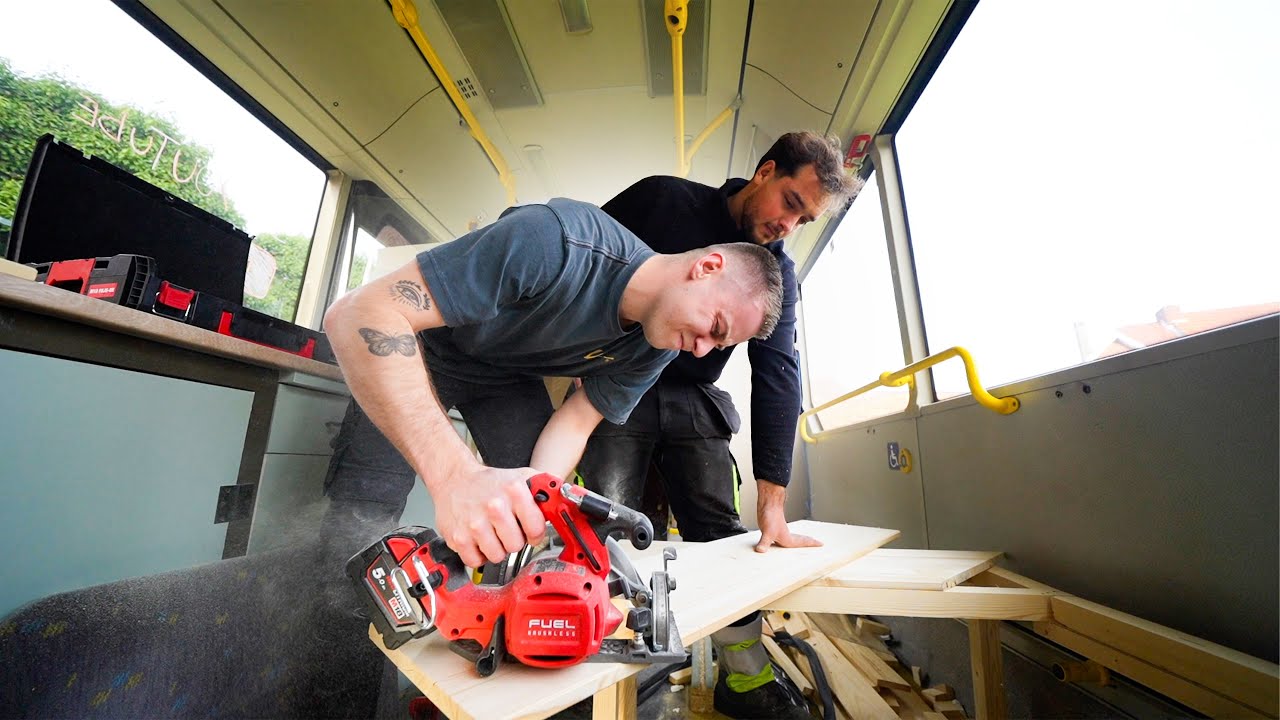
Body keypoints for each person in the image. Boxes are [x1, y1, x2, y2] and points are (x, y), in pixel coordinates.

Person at [320, 197, 783, 572]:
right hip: (422, 352)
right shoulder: (555, 240)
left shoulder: (657, 347)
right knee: (361, 516)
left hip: (507, 378)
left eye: (719, 346)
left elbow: (577, 422)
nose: (703, 351)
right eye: (715, 327)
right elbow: (358, 314)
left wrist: (540, 499)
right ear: (707, 267)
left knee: (532, 513)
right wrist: (455, 476)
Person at [575, 131, 861, 720]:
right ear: (764, 170)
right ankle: (619, 686)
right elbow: (587, 265)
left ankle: (746, 681)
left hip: (691, 397)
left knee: (723, 532)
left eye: (804, 219)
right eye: (789, 201)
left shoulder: (777, 276)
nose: (789, 224)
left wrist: (773, 504)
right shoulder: (662, 201)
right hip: (614, 384)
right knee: (609, 532)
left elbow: (778, 373)